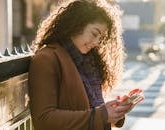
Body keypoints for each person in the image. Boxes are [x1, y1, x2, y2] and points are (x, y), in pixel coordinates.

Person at [28, 0, 133, 130]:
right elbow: (44, 120)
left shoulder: (89, 62)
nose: (96, 43)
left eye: (100, 39)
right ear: (76, 25)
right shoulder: (47, 59)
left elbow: (90, 111)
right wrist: (102, 115)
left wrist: (115, 111)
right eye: (94, 34)